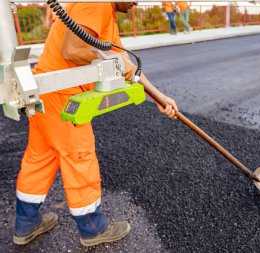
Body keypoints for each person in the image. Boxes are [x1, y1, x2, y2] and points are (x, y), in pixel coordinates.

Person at [13, 2, 178, 247]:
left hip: (44, 95)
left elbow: (126, 66)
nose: (137, 2)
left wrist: (158, 97)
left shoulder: (104, 12)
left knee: (39, 158)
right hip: (62, 97)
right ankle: (93, 229)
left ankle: (26, 225)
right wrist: (113, 60)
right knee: (80, 158)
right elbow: (72, 50)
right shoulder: (96, 3)